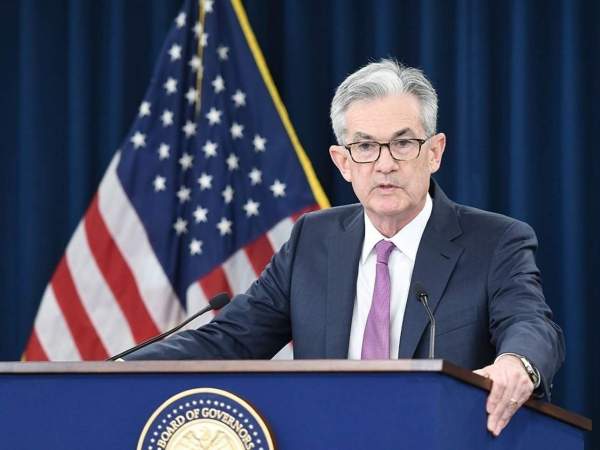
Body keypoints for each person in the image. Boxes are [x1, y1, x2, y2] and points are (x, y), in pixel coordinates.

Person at [126, 59, 565, 437]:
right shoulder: (312, 240)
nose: (385, 163)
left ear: (434, 152)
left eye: (403, 143)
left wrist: (517, 363)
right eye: (365, 146)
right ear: (343, 162)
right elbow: (230, 340)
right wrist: (113, 372)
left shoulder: (495, 241)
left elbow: (530, 323)